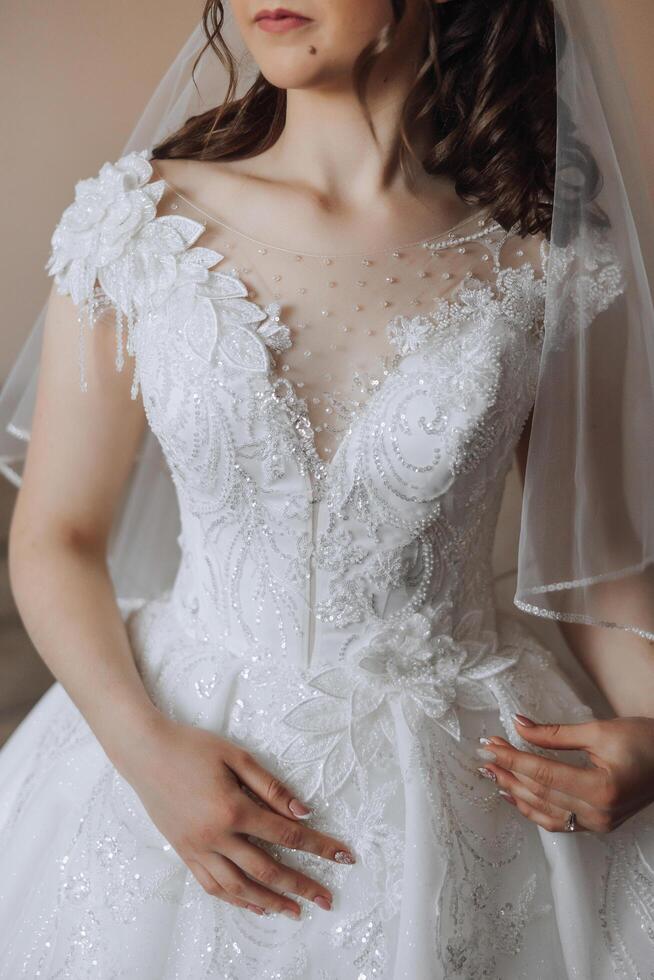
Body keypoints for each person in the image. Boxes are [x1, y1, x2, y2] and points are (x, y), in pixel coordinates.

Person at [0, 1, 652, 977]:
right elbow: (57, 533)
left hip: (473, 781)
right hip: (169, 735)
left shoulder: (541, 257)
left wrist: (650, 736)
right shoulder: (140, 222)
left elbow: (599, 564)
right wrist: (145, 756)